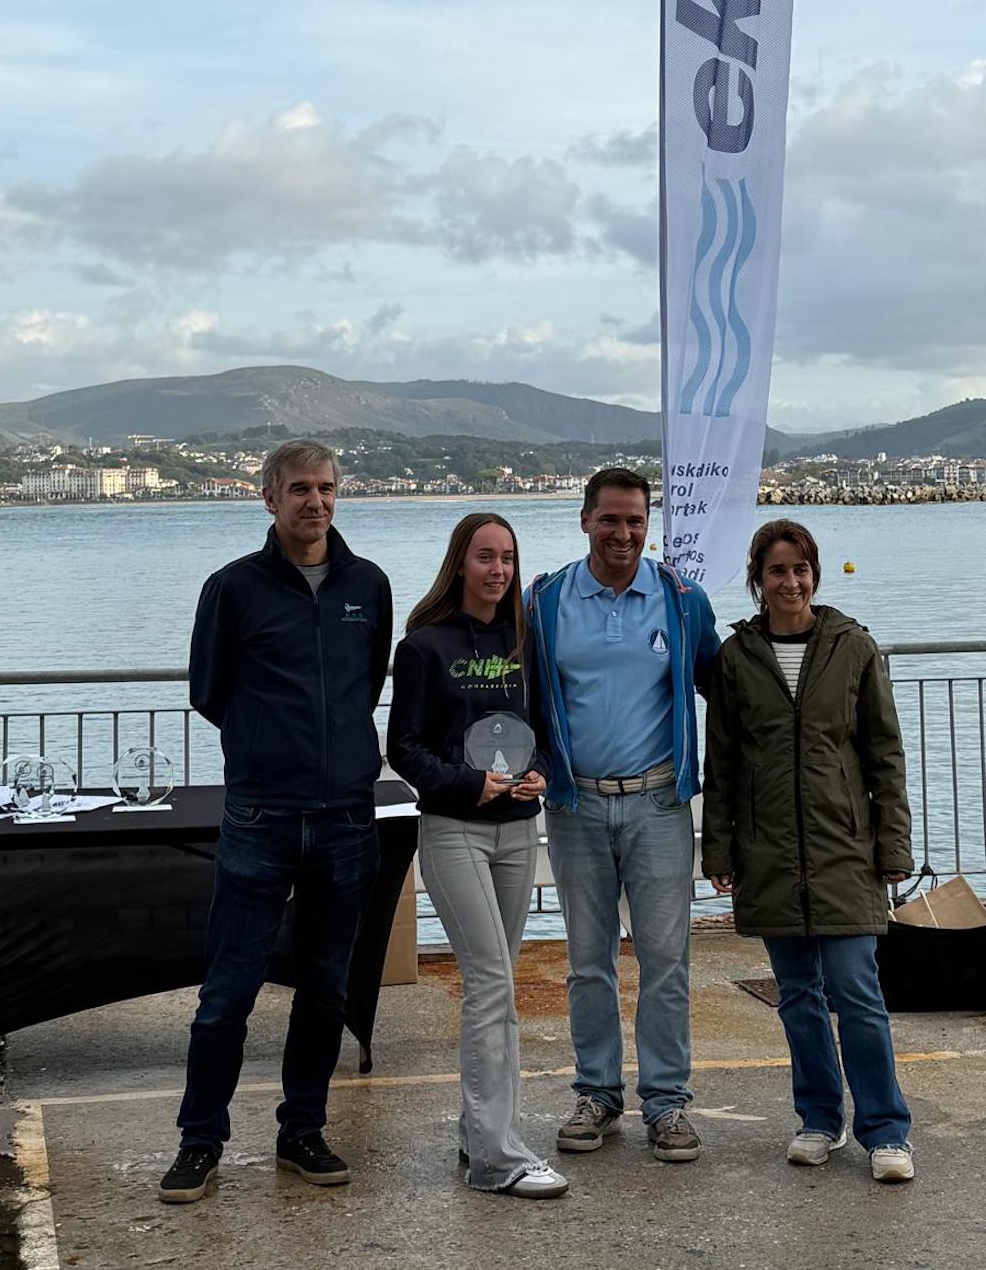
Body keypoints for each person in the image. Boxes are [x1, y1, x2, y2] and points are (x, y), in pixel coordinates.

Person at [158, 440, 392, 1203]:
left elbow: (366, 681)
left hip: (346, 820)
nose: (315, 501)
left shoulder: (368, 585)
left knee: (324, 989)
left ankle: (303, 1132)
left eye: (326, 488)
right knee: (227, 992)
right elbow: (208, 689)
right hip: (260, 816)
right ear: (269, 498)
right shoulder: (233, 588)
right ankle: (200, 1140)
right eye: (299, 489)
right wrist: (270, 747)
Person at [701, 519, 915, 1183]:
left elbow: (884, 755)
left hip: (845, 849)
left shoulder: (853, 647)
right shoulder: (736, 659)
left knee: (857, 991)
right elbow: (723, 763)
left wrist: (893, 846)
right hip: (768, 853)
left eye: (800, 569)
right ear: (758, 580)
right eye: (777, 571)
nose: (790, 582)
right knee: (797, 995)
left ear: (814, 575)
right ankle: (820, 1119)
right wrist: (719, 852)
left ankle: (886, 1130)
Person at [526, 468, 721, 1161]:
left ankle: (666, 1103)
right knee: (588, 962)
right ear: (585, 521)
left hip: (660, 804)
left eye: (636, 521)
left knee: (666, 961)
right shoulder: (545, 600)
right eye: (609, 519)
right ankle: (598, 1094)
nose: (623, 533)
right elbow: (520, 693)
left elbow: (726, 686)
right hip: (575, 804)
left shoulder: (682, 600)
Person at [387, 513, 567, 1199]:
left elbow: (542, 729)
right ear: (460, 563)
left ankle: (477, 1133)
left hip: (518, 832)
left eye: (508, 559)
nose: (498, 571)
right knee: (492, 984)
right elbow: (404, 747)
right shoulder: (424, 646)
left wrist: (541, 772)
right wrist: (467, 783)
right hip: (454, 831)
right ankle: (499, 1157)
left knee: (498, 981)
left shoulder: (526, 641)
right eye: (485, 557)